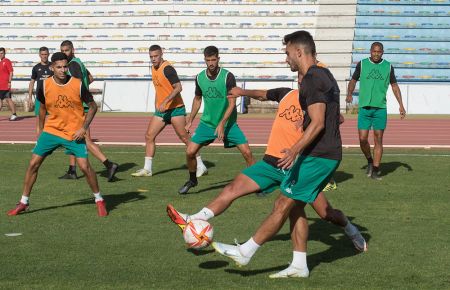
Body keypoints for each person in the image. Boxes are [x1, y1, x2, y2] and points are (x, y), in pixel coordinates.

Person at [211, 30, 367, 278]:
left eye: (287, 53)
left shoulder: (315, 77)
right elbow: (321, 117)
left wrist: (294, 150)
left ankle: (246, 252)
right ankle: (299, 265)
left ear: (298, 51)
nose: (286, 59)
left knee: (283, 203)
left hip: (320, 156)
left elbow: (318, 123)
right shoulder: (318, 76)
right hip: (317, 154)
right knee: (297, 208)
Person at [167, 86, 367, 263]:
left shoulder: (317, 101)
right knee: (232, 187)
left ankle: (350, 230)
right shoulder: (287, 93)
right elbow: (263, 94)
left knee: (324, 214)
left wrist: (315, 120)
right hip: (270, 163)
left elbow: (336, 118)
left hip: (297, 168)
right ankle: (192, 219)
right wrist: (241, 92)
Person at [6, 52, 107, 217]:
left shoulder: (77, 84)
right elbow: (43, 108)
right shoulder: (44, 85)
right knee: (33, 164)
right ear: (52, 67)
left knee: (84, 167)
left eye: (65, 66)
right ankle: (23, 202)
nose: (62, 70)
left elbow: (93, 106)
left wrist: (83, 128)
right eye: (59, 67)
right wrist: (40, 128)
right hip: (52, 130)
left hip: (73, 132)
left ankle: (99, 200)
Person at [178, 46, 255, 194]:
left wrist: (222, 123)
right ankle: (192, 180)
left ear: (218, 59)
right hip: (207, 124)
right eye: (208, 60)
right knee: (190, 152)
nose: (211, 63)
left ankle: (256, 183)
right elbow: (197, 99)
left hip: (229, 124)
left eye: (214, 60)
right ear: (205, 60)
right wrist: (190, 120)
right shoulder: (200, 77)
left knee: (247, 153)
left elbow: (232, 103)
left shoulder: (227, 76)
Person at [131, 44, 207, 177]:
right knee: (149, 136)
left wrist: (165, 101)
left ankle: (201, 165)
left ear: (161, 55)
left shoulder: (168, 69)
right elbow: (159, 87)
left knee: (185, 138)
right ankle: (147, 169)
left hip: (175, 109)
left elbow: (178, 87)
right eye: (151, 57)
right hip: (162, 111)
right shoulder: (153, 68)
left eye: (155, 56)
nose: (153, 59)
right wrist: (157, 103)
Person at [59, 40, 119, 182]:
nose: (64, 53)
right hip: (81, 105)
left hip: (79, 107)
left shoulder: (72, 65)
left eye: (66, 50)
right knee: (72, 137)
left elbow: (76, 83)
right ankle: (72, 170)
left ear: (72, 50)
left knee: (85, 139)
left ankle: (109, 164)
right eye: (62, 50)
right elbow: (90, 78)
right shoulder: (78, 62)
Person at [346, 42, 406, 180]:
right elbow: (353, 80)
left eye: (379, 52)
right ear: (370, 51)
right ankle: (369, 160)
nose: (376, 54)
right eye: (374, 51)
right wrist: (349, 93)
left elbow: (395, 86)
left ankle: (375, 170)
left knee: (378, 138)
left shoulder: (388, 66)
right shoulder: (362, 64)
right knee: (362, 139)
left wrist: (401, 105)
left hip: (380, 109)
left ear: (382, 52)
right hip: (364, 109)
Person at [28, 47, 53, 134]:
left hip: (52, 98)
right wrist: (30, 98)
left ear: (48, 54)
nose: (44, 56)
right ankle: (39, 142)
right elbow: (32, 83)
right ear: (39, 55)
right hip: (40, 98)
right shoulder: (36, 68)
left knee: (52, 122)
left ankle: (52, 142)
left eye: (46, 54)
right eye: (42, 54)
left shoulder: (53, 66)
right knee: (39, 121)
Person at [0, 47, 18, 121]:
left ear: (4, 53)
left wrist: (9, 82)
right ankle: (14, 114)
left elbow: (11, 72)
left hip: (5, 85)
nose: (0, 55)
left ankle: (14, 114)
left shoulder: (7, 61)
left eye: (2, 53)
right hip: (0, 85)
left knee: (6, 99)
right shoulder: (0, 62)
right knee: (4, 100)